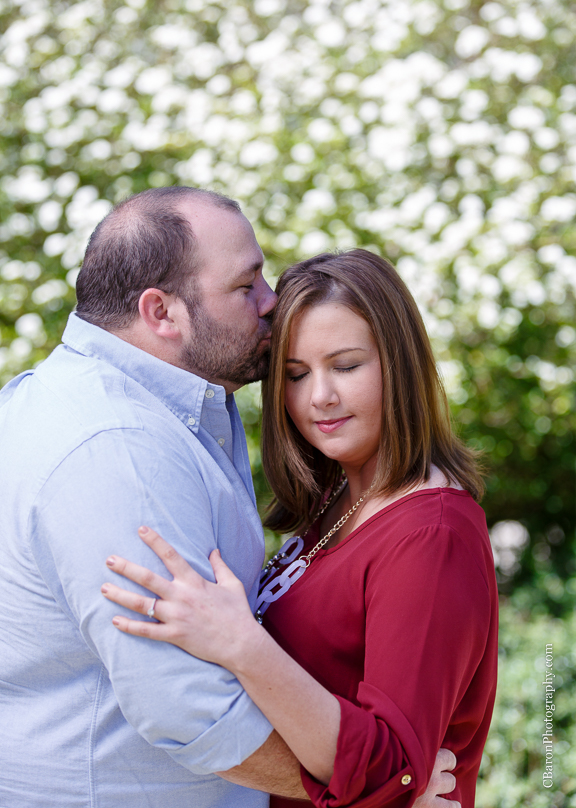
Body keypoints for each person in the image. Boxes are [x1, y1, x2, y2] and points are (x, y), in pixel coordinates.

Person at [0, 189, 457, 808]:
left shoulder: (88, 403)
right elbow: (187, 706)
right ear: (162, 312)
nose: (272, 302)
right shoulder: (119, 447)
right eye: (246, 287)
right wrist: (374, 795)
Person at [101, 249, 499, 808]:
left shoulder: (432, 533)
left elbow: (396, 769)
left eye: (346, 366)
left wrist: (241, 645)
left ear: (400, 364)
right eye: (295, 374)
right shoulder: (339, 499)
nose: (319, 398)